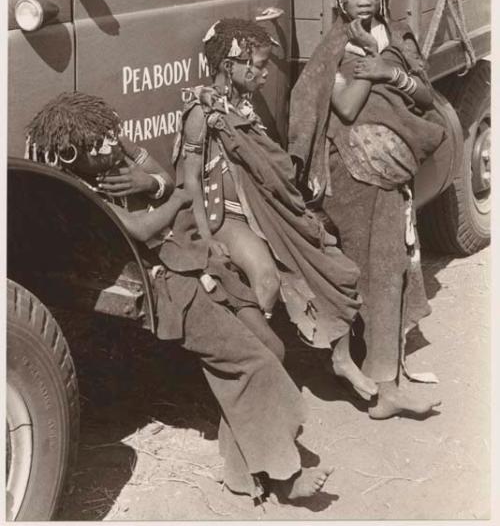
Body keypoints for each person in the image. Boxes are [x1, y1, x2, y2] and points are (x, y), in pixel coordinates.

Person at [25, 91, 333, 503]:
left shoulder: (111, 162)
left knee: (270, 348)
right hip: (176, 288)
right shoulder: (79, 190)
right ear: (69, 154)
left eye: (111, 136)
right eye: (99, 145)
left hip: (200, 264)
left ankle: (243, 471)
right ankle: (285, 473)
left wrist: (150, 181)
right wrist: (177, 199)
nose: (112, 148)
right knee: (250, 361)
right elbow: (141, 228)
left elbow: (160, 175)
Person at [176, 18, 378, 401]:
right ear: (230, 66)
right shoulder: (202, 113)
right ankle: (262, 366)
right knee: (266, 278)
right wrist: (205, 238)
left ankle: (341, 358)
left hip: (265, 212)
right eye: (260, 64)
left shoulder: (244, 107)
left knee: (326, 257)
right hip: (229, 217)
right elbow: (191, 183)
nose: (267, 72)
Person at [289, 0, 444, 419]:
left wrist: (388, 68)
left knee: (389, 267)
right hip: (354, 173)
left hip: (390, 172)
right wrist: (374, 64)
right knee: (368, 270)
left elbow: (425, 94)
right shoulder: (337, 44)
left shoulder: (396, 37)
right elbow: (349, 108)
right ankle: (371, 377)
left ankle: (381, 378)